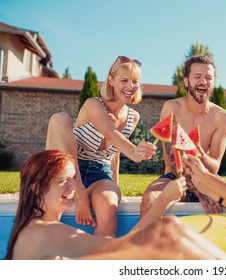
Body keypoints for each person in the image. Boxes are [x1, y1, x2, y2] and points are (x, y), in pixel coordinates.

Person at [5, 150, 226, 260]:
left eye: (74, 178)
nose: (74, 187)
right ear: (36, 187)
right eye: (63, 181)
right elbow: (126, 247)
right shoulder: (46, 233)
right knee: (169, 230)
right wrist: (162, 201)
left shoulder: (32, 226)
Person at [45, 56, 157, 237]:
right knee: (60, 118)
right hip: (68, 168)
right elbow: (110, 133)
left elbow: (114, 155)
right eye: (124, 80)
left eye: (135, 81)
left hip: (100, 172)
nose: (131, 86)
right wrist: (134, 151)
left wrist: (116, 188)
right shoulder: (93, 104)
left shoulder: (132, 117)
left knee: (109, 203)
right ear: (111, 80)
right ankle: (72, 190)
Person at [140, 55, 226, 218]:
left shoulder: (222, 117)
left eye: (208, 77)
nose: (203, 81)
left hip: (206, 178)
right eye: (197, 76)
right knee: (150, 198)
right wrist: (197, 189)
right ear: (186, 81)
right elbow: (171, 161)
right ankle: (143, 243)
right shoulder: (171, 108)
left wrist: (202, 156)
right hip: (175, 177)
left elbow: (214, 167)